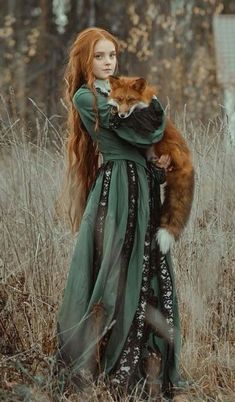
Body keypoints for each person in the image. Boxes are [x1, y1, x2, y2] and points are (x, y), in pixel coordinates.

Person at [56, 27, 187, 401]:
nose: (107, 62)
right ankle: (110, 367)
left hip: (145, 187)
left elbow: (149, 139)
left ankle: (149, 367)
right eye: (99, 56)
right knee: (117, 269)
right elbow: (142, 130)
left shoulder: (116, 92)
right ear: (85, 60)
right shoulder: (85, 97)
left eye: (111, 55)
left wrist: (160, 169)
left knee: (148, 269)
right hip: (117, 192)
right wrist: (154, 114)